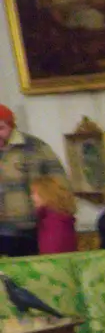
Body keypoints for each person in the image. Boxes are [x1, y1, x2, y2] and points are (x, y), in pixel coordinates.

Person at [0, 104, 66, 257]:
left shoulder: (35, 148)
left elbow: (60, 185)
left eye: (1, 128)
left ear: (12, 126)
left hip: (30, 229)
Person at [31, 175, 78, 255]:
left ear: (46, 194)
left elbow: (53, 251)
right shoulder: (57, 217)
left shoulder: (53, 221)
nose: (32, 197)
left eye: (34, 193)